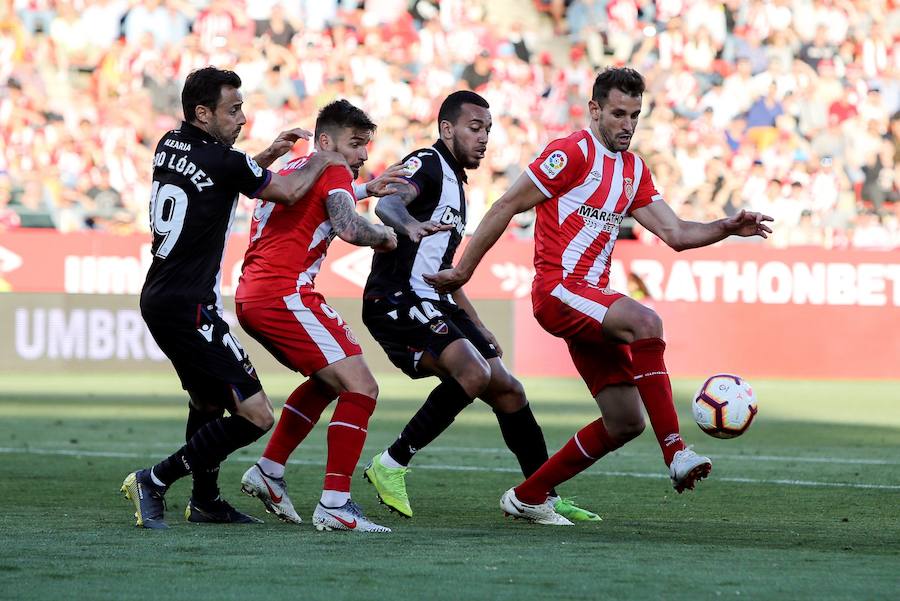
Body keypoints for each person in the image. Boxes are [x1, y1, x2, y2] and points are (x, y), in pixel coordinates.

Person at [425, 68, 774, 525]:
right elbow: (506, 204)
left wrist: (726, 228)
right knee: (647, 322)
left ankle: (529, 495)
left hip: (591, 297)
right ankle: (676, 452)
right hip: (558, 290)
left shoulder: (634, 170)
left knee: (626, 420)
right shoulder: (571, 153)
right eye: (617, 114)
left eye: (635, 115)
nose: (627, 124)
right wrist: (464, 269)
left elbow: (676, 233)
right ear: (594, 110)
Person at [121, 66, 349, 529]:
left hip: (159, 297)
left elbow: (220, 175)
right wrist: (323, 159)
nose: (241, 119)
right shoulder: (226, 160)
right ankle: (155, 479)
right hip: (191, 306)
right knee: (256, 415)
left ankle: (205, 501)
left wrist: (266, 155)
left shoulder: (170, 144)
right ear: (202, 113)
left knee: (207, 404)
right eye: (233, 110)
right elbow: (284, 191)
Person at [358, 91, 599, 523]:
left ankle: (538, 494)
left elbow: (445, 269)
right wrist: (409, 224)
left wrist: (475, 322)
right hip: (397, 299)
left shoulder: (457, 185)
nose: (484, 137)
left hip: (434, 299)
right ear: (447, 129)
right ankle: (391, 464)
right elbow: (388, 203)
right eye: (474, 128)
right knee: (473, 372)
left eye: (487, 129)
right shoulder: (428, 162)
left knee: (510, 390)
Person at [236, 99, 404, 533]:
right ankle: (335, 503)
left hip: (255, 294)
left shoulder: (295, 169)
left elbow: (317, 203)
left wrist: (366, 190)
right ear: (326, 141)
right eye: (356, 144)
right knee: (362, 386)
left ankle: (268, 471)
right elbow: (350, 228)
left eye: (366, 145)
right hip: (285, 292)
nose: (363, 155)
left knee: (329, 380)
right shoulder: (332, 169)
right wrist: (386, 235)